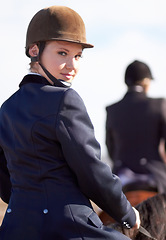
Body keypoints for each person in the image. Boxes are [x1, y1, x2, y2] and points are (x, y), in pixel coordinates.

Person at [0, 6, 140, 240]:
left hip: (15, 228)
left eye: (77, 56)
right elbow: (92, 170)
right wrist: (127, 213)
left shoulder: (6, 108)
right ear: (34, 50)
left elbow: (5, 182)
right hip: (66, 227)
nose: (73, 66)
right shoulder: (65, 99)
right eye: (62, 53)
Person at [106, 60, 166, 194]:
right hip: (154, 177)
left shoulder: (112, 109)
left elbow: (110, 147)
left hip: (122, 177)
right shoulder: (159, 105)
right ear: (145, 81)